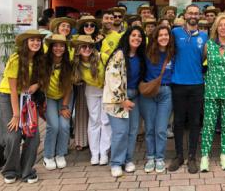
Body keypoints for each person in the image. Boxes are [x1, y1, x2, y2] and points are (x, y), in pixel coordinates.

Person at [0, 30, 48, 184]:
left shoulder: (41, 59)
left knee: (33, 135)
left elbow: (43, 77)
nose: (36, 43)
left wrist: (36, 85)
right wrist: (16, 115)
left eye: (38, 40)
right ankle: (10, 170)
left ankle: (27, 171)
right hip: (8, 96)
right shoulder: (16, 60)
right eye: (32, 40)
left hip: (27, 97)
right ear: (25, 43)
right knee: (14, 134)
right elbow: (13, 90)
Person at [168, 4, 208, 173]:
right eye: (190, 12)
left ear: (199, 16)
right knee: (178, 121)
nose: (193, 15)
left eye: (196, 13)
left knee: (195, 122)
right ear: (184, 15)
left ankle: (192, 156)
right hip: (177, 83)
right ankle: (179, 156)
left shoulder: (205, 36)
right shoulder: (174, 33)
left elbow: (206, 59)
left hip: (197, 84)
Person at [103, 26, 146, 177]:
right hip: (117, 100)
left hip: (135, 97)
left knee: (133, 131)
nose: (136, 38)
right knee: (120, 132)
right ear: (127, 37)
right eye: (133, 35)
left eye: (139, 36)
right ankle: (116, 163)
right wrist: (122, 100)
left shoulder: (140, 56)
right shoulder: (119, 54)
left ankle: (128, 159)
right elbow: (112, 78)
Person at [200, 14, 225, 172]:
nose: (223, 28)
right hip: (211, 90)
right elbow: (200, 65)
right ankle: (205, 156)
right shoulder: (208, 45)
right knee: (208, 124)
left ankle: (224, 154)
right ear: (216, 28)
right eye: (220, 25)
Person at [138, 25, 174, 173]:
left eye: (166, 35)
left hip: (166, 92)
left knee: (161, 129)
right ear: (155, 37)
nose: (164, 37)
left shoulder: (173, 53)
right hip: (149, 93)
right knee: (150, 128)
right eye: (160, 35)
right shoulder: (147, 52)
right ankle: (150, 157)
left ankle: (160, 158)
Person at [72, 35, 111, 166]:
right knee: (94, 120)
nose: (87, 49)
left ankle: (104, 152)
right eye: (83, 46)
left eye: (89, 46)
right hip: (91, 89)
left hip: (106, 90)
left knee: (105, 121)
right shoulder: (76, 63)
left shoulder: (102, 57)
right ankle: (95, 153)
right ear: (78, 49)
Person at [43, 34, 73, 171]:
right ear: (51, 47)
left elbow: (68, 86)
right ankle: (48, 156)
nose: (58, 48)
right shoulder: (44, 61)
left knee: (64, 125)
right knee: (53, 126)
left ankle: (60, 154)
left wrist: (65, 106)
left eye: (61, 45)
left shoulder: (68, 63)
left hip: (64, 97)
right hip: (48, 97)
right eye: (55, 45)